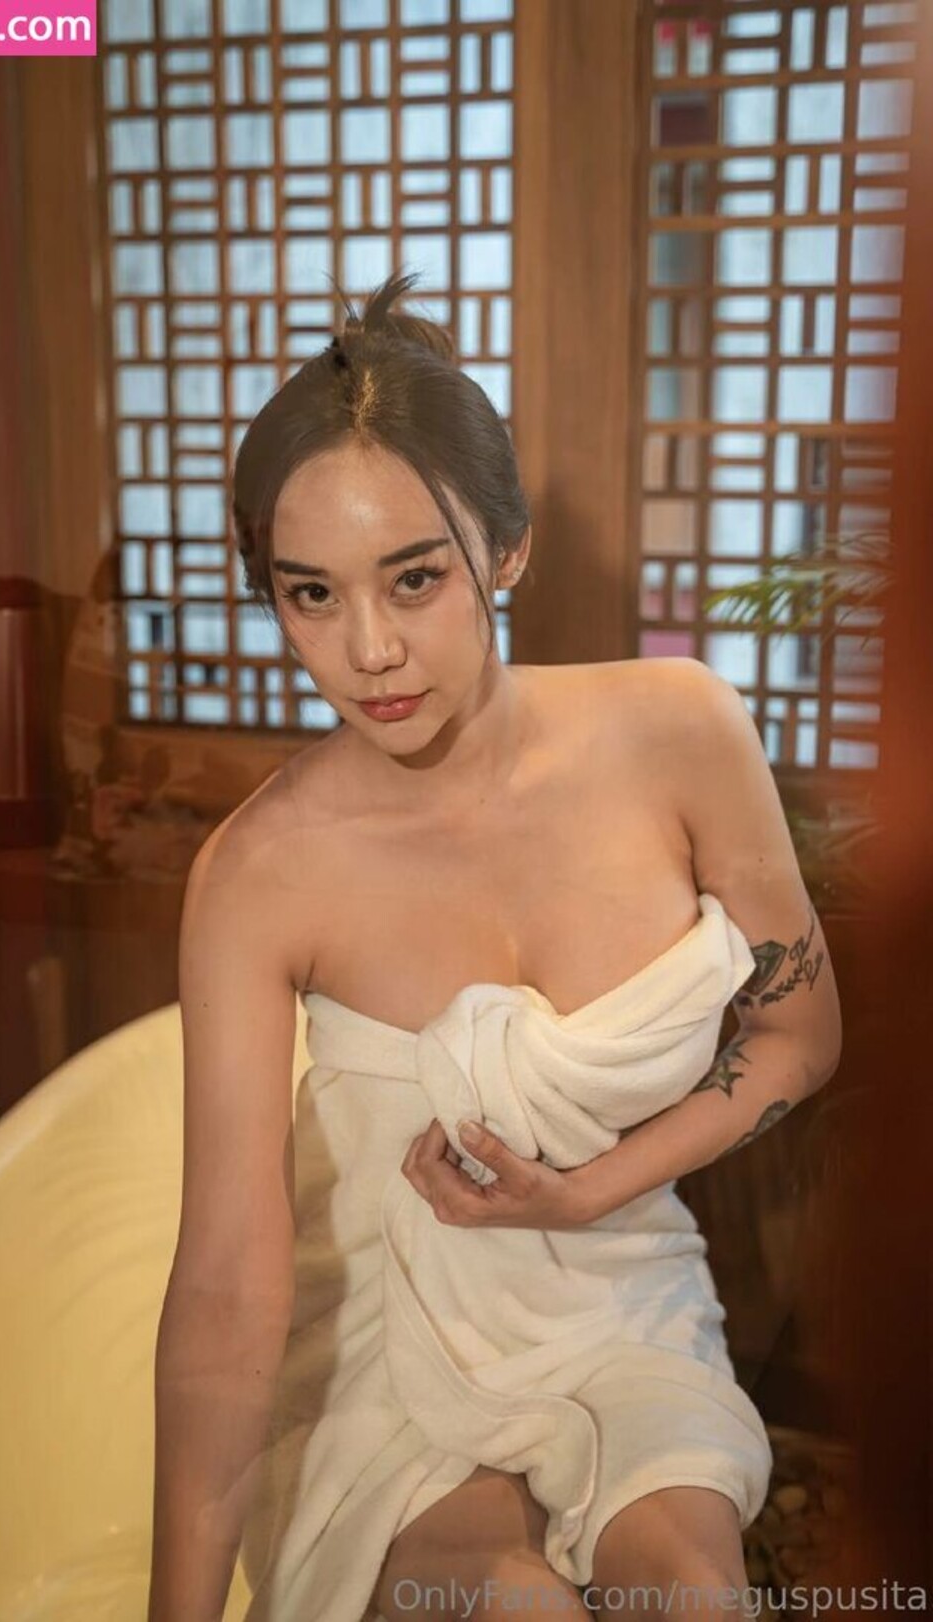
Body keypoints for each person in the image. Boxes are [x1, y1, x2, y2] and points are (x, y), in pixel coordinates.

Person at [146, 270, 843, 1622]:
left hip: (617, 1292)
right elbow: (226, 1287)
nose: (368, 649)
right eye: (310, 593)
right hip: (381, 1338)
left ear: (507, 548)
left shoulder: (682, 732)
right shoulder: (256, 874)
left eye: (416, 577)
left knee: (693, 1599)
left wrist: (587, 1193)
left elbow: (799, 1033)